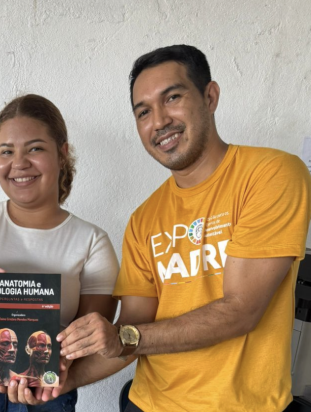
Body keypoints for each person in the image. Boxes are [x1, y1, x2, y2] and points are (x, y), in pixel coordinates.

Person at [44, 44, 311, 412]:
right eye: (143, 112)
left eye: (172, 97)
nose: (159, 121)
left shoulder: (271, 175)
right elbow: (133, 328)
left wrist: (123, 338)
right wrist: (61, 380)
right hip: (147, 403)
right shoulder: (143, 220)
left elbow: (241, 309)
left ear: (210, 96)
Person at [0, 93, 120, 412]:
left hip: (42, 389)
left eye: (35, 148)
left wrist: (57, 365)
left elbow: (89, 340)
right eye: (6, 151)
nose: (19, 163)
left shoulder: (92, 241)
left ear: (62, 153)